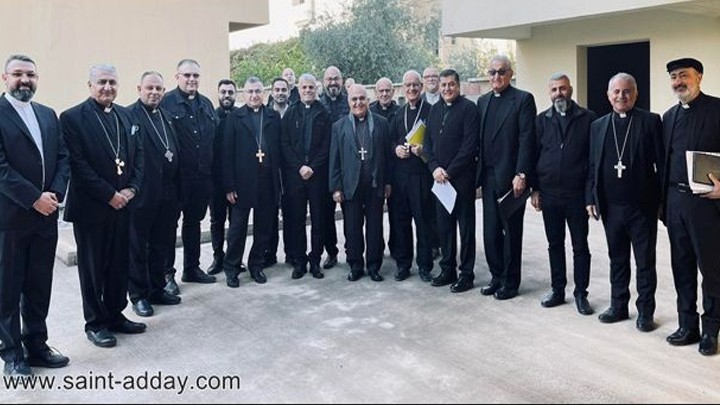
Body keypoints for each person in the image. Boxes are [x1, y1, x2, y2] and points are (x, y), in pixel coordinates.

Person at [61, 64, 146, 348]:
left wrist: (132, 189)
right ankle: (95, 323)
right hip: (91, 208)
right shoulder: (72, 118)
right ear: (90, 85)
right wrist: (110, 194)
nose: (107, 87)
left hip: (123, 205)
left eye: (112, 82)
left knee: (119, 265)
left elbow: (139, 155)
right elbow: (77, 165)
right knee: (93, 269)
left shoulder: (126, 115)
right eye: (101, 82)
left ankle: (115, 314)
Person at [0, 54, 70, 376]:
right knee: (8, 288)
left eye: (30, 74)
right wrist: (33, 199)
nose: (24, 80)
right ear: (5, 78)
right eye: (17, 74)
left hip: (46, 216)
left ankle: (37, 345)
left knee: (39, 285)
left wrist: (54, 194)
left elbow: (63, 157)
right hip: (10, 219)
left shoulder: (47, 114)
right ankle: (12, 354)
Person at [586, 72, 662, 332]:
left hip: (642, 207)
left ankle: (645, 313)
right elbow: (592, 165)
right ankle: (618, 306)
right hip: (611, 206)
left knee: (645, 263)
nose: (621, 96)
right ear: (608, 95)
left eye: (627, 91)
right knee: (617, 259)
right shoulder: (598, 126)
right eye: (616, 92)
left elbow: (661, 164)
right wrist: (590, 197)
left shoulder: (650, 122)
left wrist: (662, 202)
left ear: (635, 94)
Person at [661, 57, 720, 355]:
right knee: (681, 267)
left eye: (683, 75)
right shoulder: (668, 117)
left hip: (707, 205)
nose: (678, 82)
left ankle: (711, 329)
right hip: (675, 202)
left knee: (712, 269)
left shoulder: (718, 109)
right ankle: (687, 325)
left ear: (699, 76)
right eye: (673, 77)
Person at [530, 73, 596, 315]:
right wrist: (535, 189)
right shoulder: (541, 121)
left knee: (580, 246)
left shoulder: (588, 119)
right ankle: (558, 290)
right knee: (554, 244)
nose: (559, 93)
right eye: (554, 89)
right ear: (550, 93)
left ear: (571, 89)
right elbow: (533, 155)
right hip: (549, 195)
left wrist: (590, 196)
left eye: (563, 88)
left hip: (576, 195)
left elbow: (593, 161)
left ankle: (581, 294)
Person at [477, 54, 536, 300]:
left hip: (512, 178)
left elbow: (527, 138)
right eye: (492, 72)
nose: (496, 77)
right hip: (488, 176)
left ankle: (510, 283)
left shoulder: (523, 99)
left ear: (510, 74)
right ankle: (496, 277)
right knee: (490, 232)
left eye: (501, 72)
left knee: (511, 233)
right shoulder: (482, 101)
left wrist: (522, 173)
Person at [127, 71, 181, 318]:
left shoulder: (166, 116)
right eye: (149, 88)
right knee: (138, 247)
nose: (154, 92)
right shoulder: (129, 115)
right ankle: (139, 295)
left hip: (167, 192)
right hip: (142, 194)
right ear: (139, 89)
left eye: (159, 89)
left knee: (161, 244)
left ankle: (157, 289)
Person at [160, 59, 217, 290]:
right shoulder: (166, 102)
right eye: (187, 75)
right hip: (176, 179)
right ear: (177, 77)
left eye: (195, 75)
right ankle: (166, 274)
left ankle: (191, 268)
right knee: (168, 227)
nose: (192, 79)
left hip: (201, 177)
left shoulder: (206, 104)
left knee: (193, 223)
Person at [222, 77, 282, 288]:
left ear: (263, 93)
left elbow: (279, 149)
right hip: (242, 182)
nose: (254, 95)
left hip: (267, 180)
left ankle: (256, 264)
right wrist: (229, 186)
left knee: (263, 227)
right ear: (244, 94)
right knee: (237, 228)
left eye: (257, 91)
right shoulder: (235, 118)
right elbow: (227, 153)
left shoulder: (273, 116)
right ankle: (231, 268)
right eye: (250, 92)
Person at [329, 84, 392, 282]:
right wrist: (336, 187)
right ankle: (355, 265)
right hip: (351, 185)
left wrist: (388, 182)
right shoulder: (339, 127)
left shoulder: (382, 123)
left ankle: (374, 266)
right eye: (354, 99)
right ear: (349, 102)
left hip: (374, 184)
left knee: (375, 228)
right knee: (352, 228)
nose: (358, 103)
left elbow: (387, 157)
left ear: (368, 100)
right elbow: (334, 159)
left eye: (362, 99)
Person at [424, 69, 479, 293]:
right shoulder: (434, 110)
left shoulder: (469, 109)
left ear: (458, 86)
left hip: (461, 180)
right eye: (444, 85)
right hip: (440, 182)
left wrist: (449, 172)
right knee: (445, 229)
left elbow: (469, 146)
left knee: (466, 230)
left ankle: (466, 274)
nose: (447, 88)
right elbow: (427, 144)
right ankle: (448, 270)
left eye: (451, 84)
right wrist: (434, 168)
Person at [280, 73, 332, 280]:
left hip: (317, 176)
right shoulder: (290, 113)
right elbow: (284, 144)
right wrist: (299, 167)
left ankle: (315, 261)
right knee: (297, 220)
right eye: (304, 87)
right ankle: (300, 262)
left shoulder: (324, 114)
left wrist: (312, 167)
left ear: (316, 89)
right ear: (299, 90)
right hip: (296, 176)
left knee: (319, 220)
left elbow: (327, 146)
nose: (308, 91)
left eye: (311, 87)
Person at [390, 70, 434, 282]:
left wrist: (424, 150)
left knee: (423, 222)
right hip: (401, 177)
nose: (411, 89)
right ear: (403, 88)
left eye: (415, 85)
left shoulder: (432, 111)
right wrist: (396, 149)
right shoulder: (399, 114)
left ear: (421, 86)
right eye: (407, 85)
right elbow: (391, 140)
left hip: (422, 176)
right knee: (401, 222)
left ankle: (425, 266)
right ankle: (403, 264)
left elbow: (438, 142)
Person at [207, 79, 239, 276]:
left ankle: (234, 259)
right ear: (218, 94)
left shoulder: (241, 116)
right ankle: (218, 257)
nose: (227, 95)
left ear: (235, 95)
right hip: (216, 181)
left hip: (237, 180)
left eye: (230, 92)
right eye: (223, 92)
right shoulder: (211, 117)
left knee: (236, 222)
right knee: (216, 221)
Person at [319, 66, 350, 269]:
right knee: (325, 216)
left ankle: (352, 251)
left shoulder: (350, 102)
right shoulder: (317, 105)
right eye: (329, 79)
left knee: (351, 215)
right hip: (324, 169)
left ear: (342, 81)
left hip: (348, 168)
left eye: (336, 79)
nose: (333, 82)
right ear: (323, 82)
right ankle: (331, 252)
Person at [266, 77, 292, 268]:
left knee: (291, 213)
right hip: (270, 171)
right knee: (271, 215)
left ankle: (291, 253)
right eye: (277, 90)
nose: (281, 93)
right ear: (272, 92)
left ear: (289, 92)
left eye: (284, 89)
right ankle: (270, 253)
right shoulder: (266, 114)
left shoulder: (295, 112)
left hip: (291, 171)